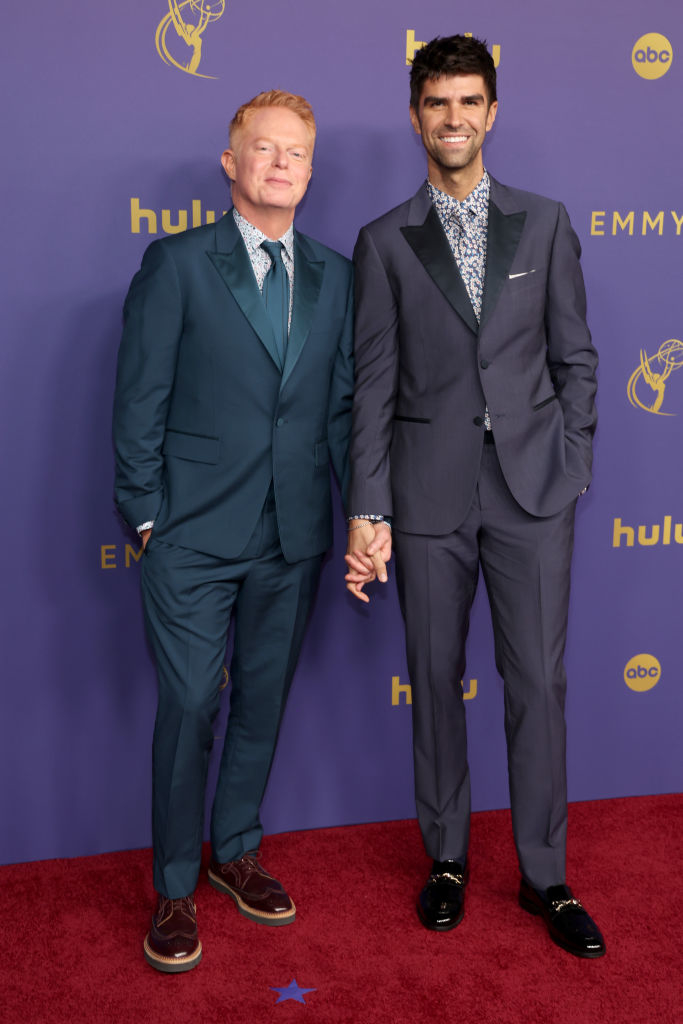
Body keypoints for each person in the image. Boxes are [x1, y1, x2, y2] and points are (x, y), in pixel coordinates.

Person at [345, 35, 605, 958]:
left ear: (491, 113)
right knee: (434, 681)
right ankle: (447, 860)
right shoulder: (383, 241)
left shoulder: (545, 222)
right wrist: (368, 505)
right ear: (415, 115)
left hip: (533, 492)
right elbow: (371, 388)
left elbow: (576, 359)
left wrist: (571, 463)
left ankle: (545, 876)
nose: (452, 119)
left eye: (467, 102)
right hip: (425, 496)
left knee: (537, 684)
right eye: (436, 103)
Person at [113, 90, 353, 972]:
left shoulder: (337, 275)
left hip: (294, 531)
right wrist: (147, 516)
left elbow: (339, 410)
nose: (280, 164)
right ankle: (175, 886)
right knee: (189, 704)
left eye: (296, 152)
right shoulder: (177, 263)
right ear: (231, 162)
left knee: (263, 697)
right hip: (190, 535)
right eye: (264, 148)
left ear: (310, 172)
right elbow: (139, 397)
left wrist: (363, 513)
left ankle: (237, 850)